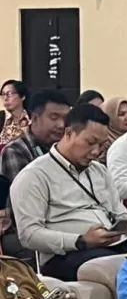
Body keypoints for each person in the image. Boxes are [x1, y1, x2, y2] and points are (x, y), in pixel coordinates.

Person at [10, 104, 127, 281]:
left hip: (112, 245)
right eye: (90, 143)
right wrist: (81, 240)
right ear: (69, 133)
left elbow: (118, 212)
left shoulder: (99, 171)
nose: (96, 152)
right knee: (116, 263)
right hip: (65, 256)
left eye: (101, 145)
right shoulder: (34, 175)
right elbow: (29, 235)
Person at [0, 90, 71, 259]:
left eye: (65, 119)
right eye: (54, 117)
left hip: (62, 226)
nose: (61, 125)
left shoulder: (65, 150)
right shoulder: (16, 151)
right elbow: (29, 204)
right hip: (23, 232)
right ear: (35, 118)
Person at [0, 80, 30, 145]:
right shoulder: (1, 117)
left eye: (9, 94)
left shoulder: (33, 119)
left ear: (22, 97)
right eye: (3, 94)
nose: (5, 98)